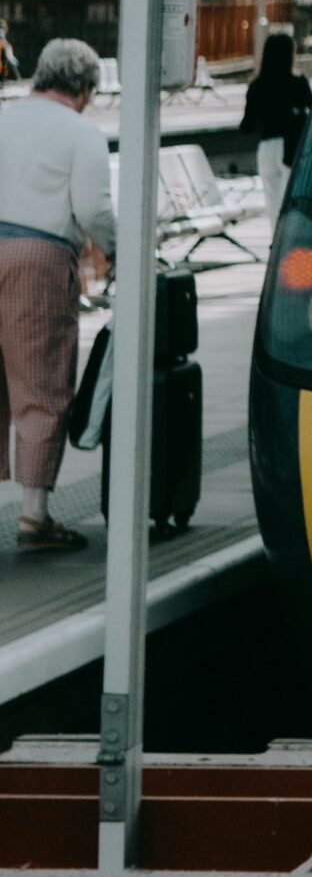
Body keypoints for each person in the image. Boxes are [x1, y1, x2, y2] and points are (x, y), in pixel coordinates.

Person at [0, 37, 116, 554]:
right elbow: (92, 209)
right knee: (41, 383)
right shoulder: (81, 133)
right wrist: (119, 249)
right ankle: (35, 517)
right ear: (86, 87)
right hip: (38, 259)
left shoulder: (4, 117)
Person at [244, 30, 312, 220]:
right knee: (289, 204)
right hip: (291, 146)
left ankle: (275, 243)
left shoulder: (257, 86)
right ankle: (287, 243)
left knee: (272, 204)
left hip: (266, 148)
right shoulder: (298, 83)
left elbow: (247, 126)